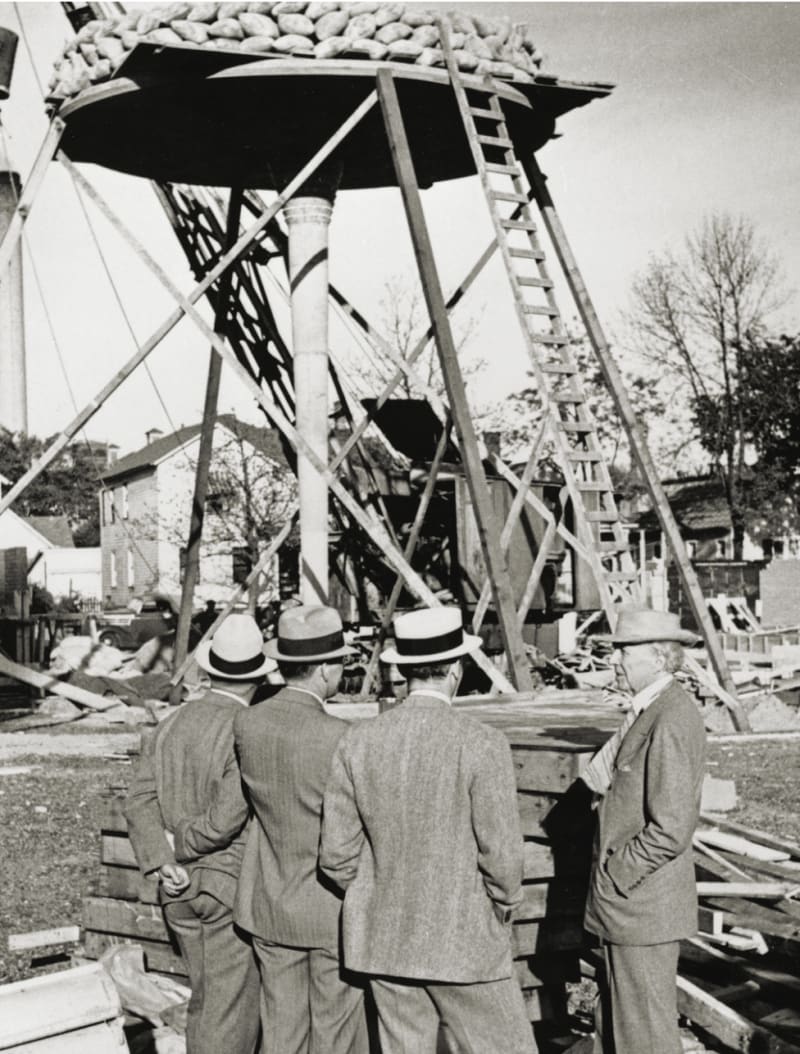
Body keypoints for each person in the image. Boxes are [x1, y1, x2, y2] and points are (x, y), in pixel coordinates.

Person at [320, 606, 537, 1054]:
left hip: (386, 940)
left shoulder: (358, 741)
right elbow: (503, 858)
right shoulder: (482, 743)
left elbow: (336, 856)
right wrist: (504, 904)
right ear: (456, 670)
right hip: (467, 939)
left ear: (403, 671)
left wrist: (376, 896)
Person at [178, 603, 368, 1054]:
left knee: (282, 1033)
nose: (342, 671)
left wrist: (180, 843)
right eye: (340, 662)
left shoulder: (248, 723)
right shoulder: (343, 734)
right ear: (323, 670)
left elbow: (232, 813)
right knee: (335, 1035)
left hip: (268, 905)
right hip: (330, 912)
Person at [125, 613, 273, 1054]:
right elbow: (229, 816)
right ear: (258, 678)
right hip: (226, 887)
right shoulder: (245, 729)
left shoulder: (170, 724)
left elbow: (140, 801)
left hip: (176, 891)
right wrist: (186, 847)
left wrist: (163, 858)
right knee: (232, 1014)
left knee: (205, 1004)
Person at [581, 606, 707, 1054]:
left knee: (645, 1038)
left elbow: (672, 828)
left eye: (623, 652)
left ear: (658, 657)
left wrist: (617, 873)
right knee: (620, 1027)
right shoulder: (649, 710)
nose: (614, 661)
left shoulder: (670, 718)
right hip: (631, 909)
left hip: (642, 908)